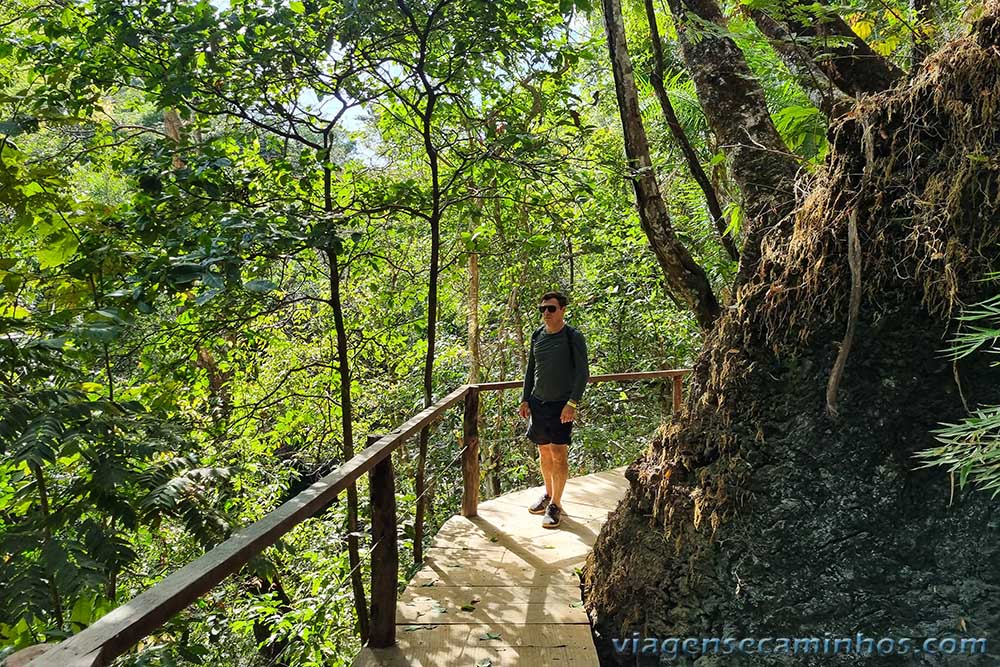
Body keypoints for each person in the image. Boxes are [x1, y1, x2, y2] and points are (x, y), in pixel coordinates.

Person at [518, 291, 589, 529]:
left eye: (551, 308)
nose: (546, 313)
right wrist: (525, 399)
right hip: (539, 403)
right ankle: (548, 494)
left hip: (562, 404)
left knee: (559, 453)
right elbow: (531, 369)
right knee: (544, 451)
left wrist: (573, 403)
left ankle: (556, 505)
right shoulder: (537, 336)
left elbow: (582, 373)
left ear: (562, 310)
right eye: (543, 309)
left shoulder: (572, 336)